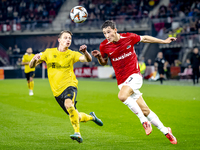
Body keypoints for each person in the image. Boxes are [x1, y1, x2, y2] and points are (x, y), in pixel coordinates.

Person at [91, 20, 177, 144]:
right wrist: (99, 57)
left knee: (122, 96)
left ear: (115, 30)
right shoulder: (104, 46)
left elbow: (145, 38)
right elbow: (104, 62)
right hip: (122, 81)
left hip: (134, 75)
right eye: (104, 33)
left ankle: (144, 121)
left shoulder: (129, 37)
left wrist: (163, 41)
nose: (107, 35)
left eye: (109, 32)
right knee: (146, 110)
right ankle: (166, 131)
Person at [29, 30, 103, 143]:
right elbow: (31, 65)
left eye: (69, 38)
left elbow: (87, 59)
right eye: (65, 38)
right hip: (57, 92)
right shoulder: (48, 52)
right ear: (59, 40)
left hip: (70, 85)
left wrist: (85, 52)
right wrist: (34, 60)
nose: (68, 40)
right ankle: (92, 117)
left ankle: (77, 133)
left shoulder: (72, 54)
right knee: (76, 116)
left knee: (68, 104)